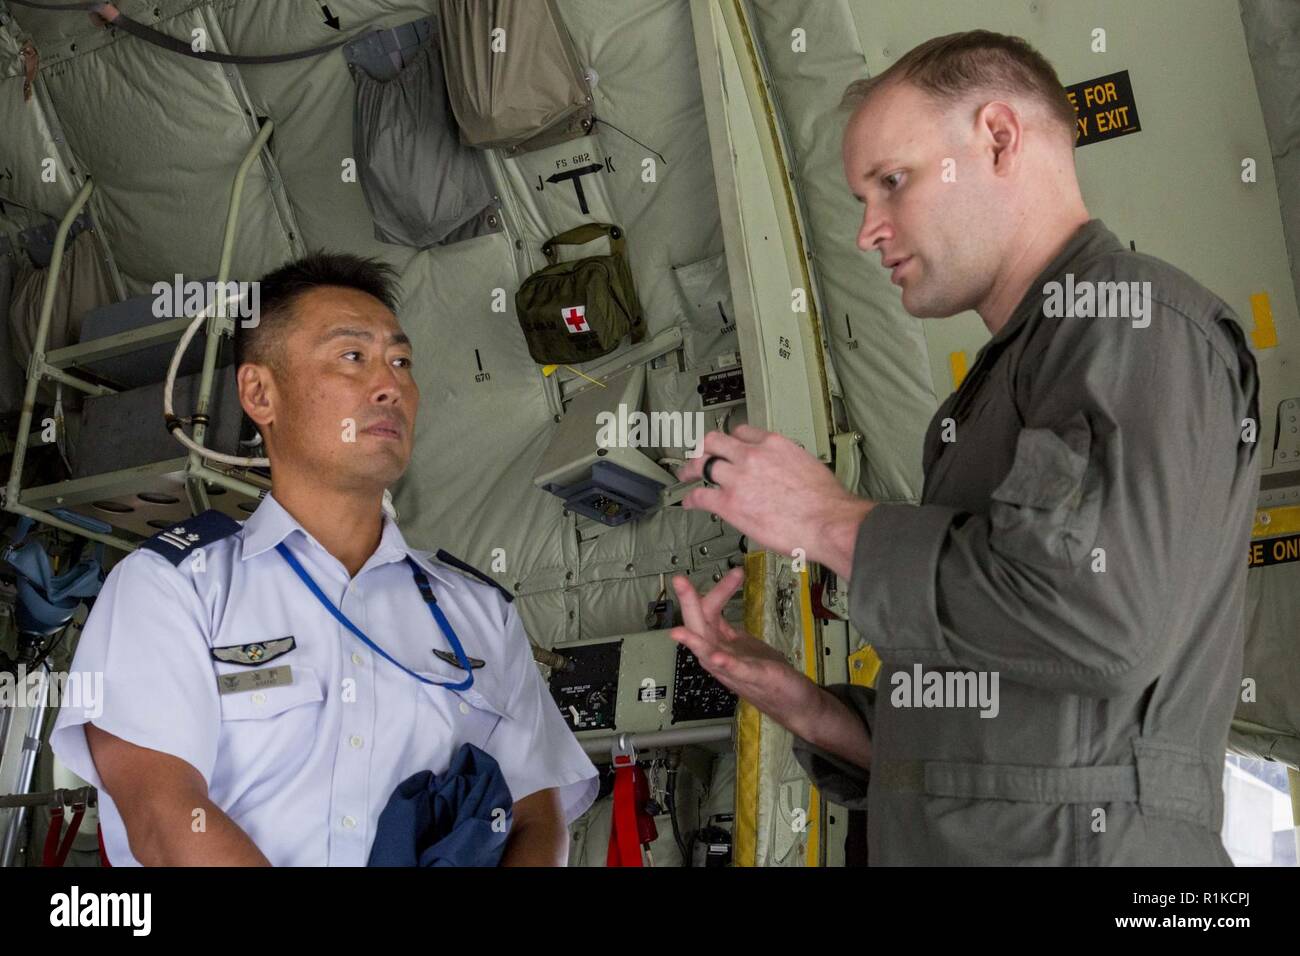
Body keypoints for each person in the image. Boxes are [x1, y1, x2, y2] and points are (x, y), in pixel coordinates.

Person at [669, 30, 1260, 865]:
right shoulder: (1008, 381)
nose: (867, 232)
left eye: (892, 183)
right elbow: (1014, 740)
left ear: (997, 139)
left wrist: (832, 520)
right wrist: (806, 707)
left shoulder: (1134, 323)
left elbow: (1101, 620)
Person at [50, 252, 598, 866]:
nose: (390, 383)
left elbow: (537, 816)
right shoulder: (173, 589)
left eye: (401, 361)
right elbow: (163, 816)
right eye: (352, 357)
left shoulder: (481, 613)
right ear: (260, 392)